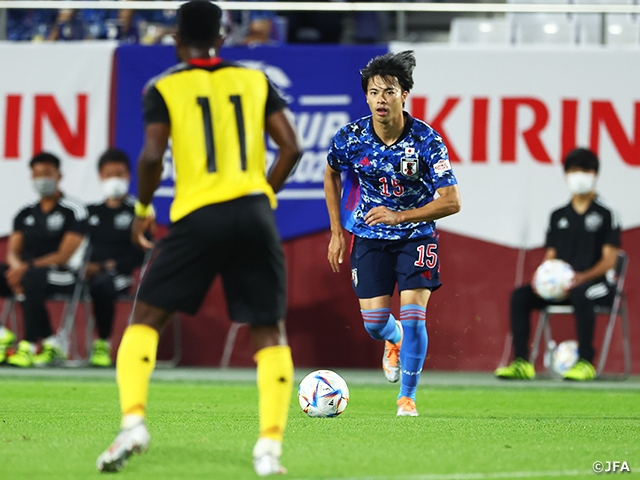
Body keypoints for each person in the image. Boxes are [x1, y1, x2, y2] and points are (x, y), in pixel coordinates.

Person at [96, 1, 302, 476]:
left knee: (146, 318)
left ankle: (133, 424)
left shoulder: (165, 87)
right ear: (224, 37)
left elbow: (150, 156)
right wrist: (261, 195)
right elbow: (291, 147)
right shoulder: (255, 80)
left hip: (197, 214)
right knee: (269, 332)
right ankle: (269, 450)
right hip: (253, 212)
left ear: (174, 40)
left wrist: (144, 209)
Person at [324, 51, 461, 417]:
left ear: (404, 95)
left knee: (415, 314)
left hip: (416, 236)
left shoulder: (427, 142)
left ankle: (407, 398)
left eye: (389, 91)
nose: (380, 99)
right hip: (368, 236)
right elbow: (330, 172)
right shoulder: (351, 138)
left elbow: (451, 201)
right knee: (374, 325)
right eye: (373, 92)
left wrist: (402, 216)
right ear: (366, 97)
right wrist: (338, 230)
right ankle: (393, 339)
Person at [495, 148, 620, 382]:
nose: (578, 176)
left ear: (594, 175)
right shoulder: (558, 215)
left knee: (584, 294)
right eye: (573, 170)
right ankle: (522, 361)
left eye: (584, 170)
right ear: (565, 174)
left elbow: (610, 260)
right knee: (521, 296)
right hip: (562, 286)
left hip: (597, 285)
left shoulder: (606, 213)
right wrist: (541, 278)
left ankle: (585, 362)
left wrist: (583, 277)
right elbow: (550, 255)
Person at [0, 152, 88, 367]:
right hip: (28, 273)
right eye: (37, 174)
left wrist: (25, 269)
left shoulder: (73, 211)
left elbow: (63, 256)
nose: (42, 179)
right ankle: (7, 335)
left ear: (59, 175)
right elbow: (13, 250)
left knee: (32, 277)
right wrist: (17, 268)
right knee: (19, 275)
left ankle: (29, 346)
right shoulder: (25, 213)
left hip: (65, 275)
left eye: (47, 173)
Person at [85, 148, 146, 367]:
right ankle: (48, 343)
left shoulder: (139, 213)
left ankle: (102, 342)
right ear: (100, 177)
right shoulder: (89, 212)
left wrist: (105, 266)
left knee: (103, 285)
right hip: (84, 274)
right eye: (109, 174)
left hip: (120, 275)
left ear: (129, 175)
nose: (114, 179)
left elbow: (140, 253)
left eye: (119, 174)